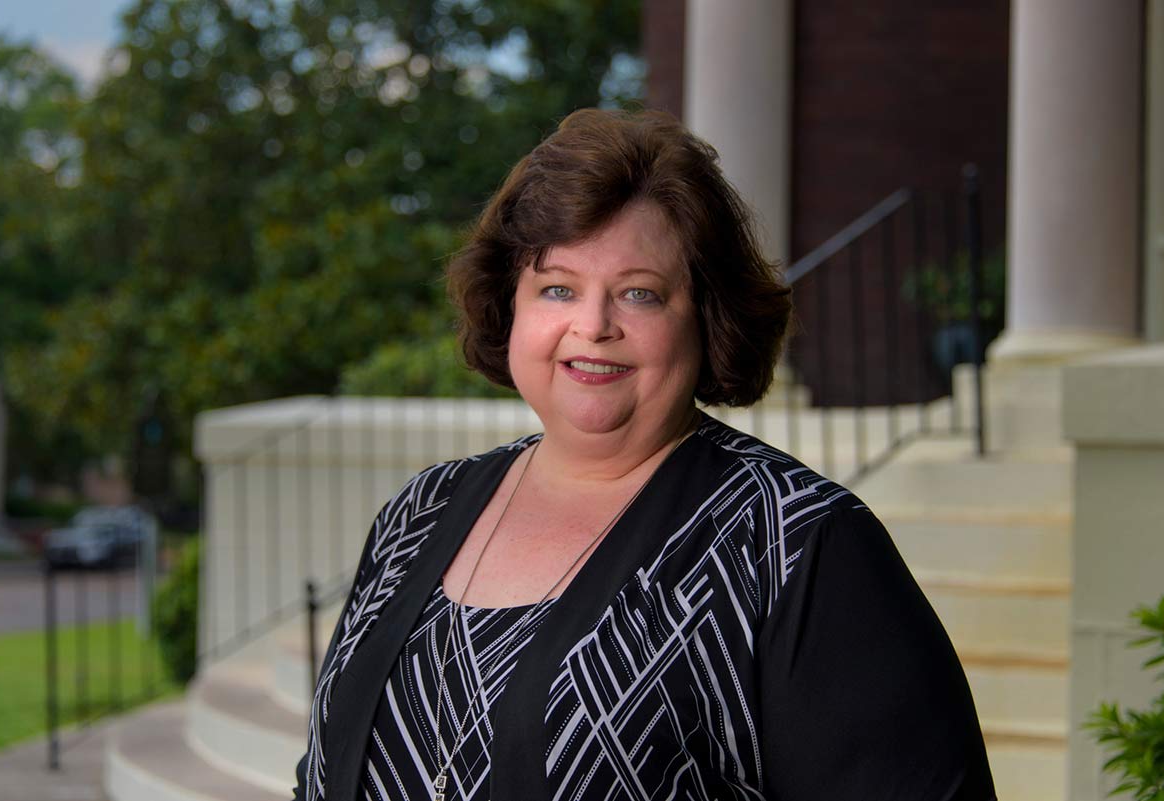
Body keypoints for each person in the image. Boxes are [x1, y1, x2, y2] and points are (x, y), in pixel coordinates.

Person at [293, 108, 996, 801]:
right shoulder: (422, 511)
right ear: (512, 307)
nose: (593, 326)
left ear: (708, 318)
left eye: (639, 294)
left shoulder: (793, 544)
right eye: (558, 287)